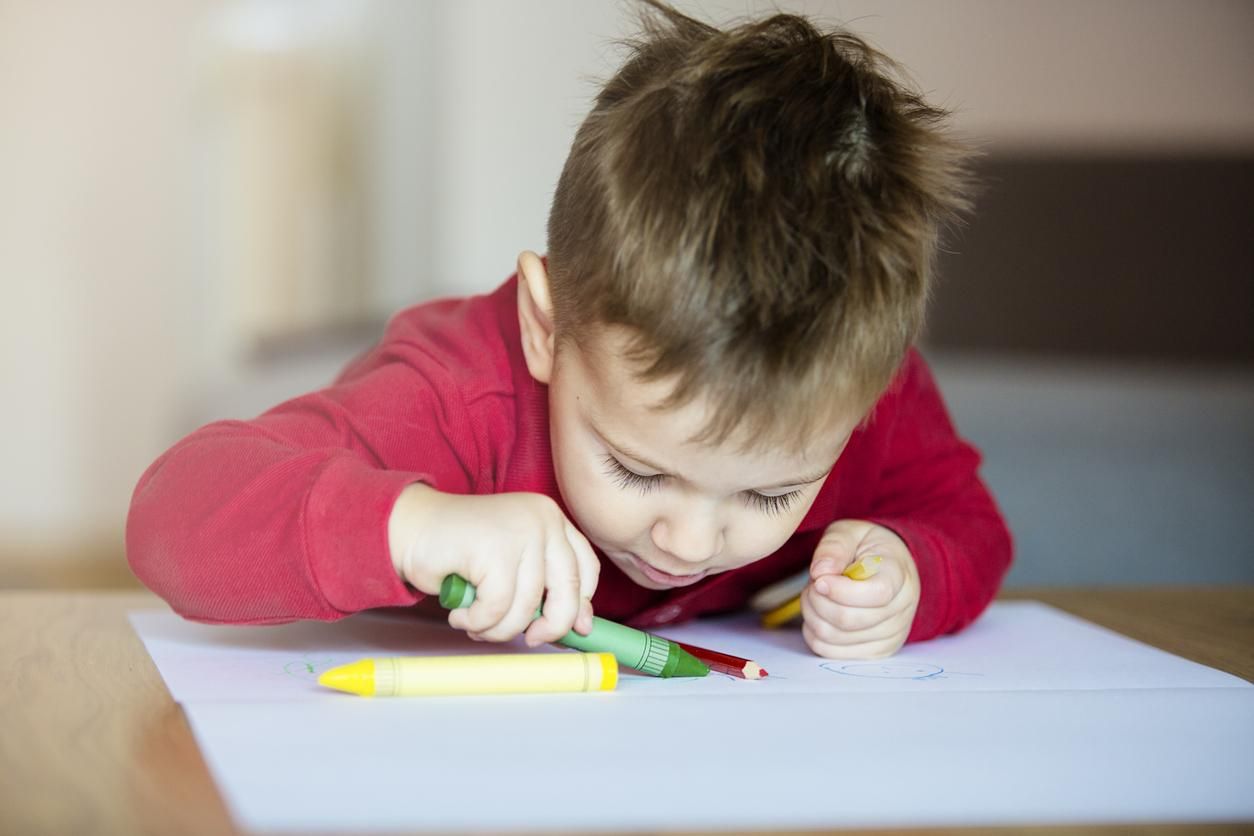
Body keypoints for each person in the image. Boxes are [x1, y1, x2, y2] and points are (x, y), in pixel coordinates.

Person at [127, 0, 1011, 660]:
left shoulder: (848, 386)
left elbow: (970, 523)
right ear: (547, 326)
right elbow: (173, 516)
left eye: (771, 495)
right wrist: (414, 524)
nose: (691, 543)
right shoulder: (456, 395)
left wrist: (911, 570)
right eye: (637, 467)